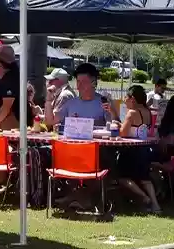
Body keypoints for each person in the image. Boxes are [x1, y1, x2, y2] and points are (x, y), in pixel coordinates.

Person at [116, 85, 161, 213]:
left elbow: (123, 133)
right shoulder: (147, 111)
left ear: (133, 99)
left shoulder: (132, 112)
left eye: (126, 97)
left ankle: (144, 197)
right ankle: (156, 205)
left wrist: (117, 124)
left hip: (131, 150)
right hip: (144, 149)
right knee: (145, 178)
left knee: (122, 177)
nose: (124, 99)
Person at [56, 63, 113, 127]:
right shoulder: (70, 103)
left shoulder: (104, 103)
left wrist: (112, 112)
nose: (79, 86)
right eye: (78, 82)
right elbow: (50, 121)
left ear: (94, 83)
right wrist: (48, 100)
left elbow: (114, 126)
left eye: (84, 82)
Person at [0, 45, 31, 130]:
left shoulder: (10, 79)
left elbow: (6, 107)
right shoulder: (6, 78)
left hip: (10, 121)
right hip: (5, 120)